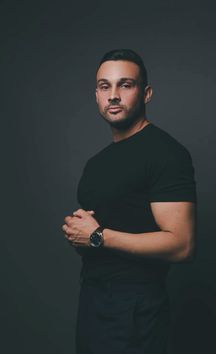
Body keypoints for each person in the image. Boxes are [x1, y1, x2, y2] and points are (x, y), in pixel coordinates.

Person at [62, 49, 197, 354]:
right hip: (94, 298)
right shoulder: (96, 163)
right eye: (104, 86)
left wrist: (97, 236)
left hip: (136, 306)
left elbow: (182, 245)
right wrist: (79, 234)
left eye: (125, 85)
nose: (113, 95)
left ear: (146, 93)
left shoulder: (166, 153)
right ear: (96, 94)